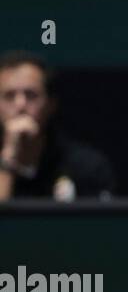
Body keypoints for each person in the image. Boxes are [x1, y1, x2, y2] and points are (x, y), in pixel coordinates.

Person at [0, 51, 115, 202]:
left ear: (51, 104)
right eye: (9, 96)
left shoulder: (86, 167)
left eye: (31, 95)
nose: (20, 105)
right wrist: (8, 157)